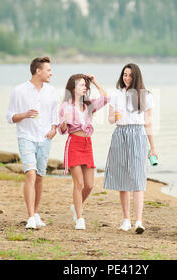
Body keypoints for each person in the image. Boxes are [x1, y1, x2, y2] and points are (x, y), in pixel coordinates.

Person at [103, 63, 158, 234]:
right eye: (124, 75)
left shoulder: (145, 96)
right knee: (122, 177)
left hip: (138, 134)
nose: (126, 78)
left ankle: (139, 221)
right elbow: (110, 120)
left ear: (136, 77)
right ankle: (126, 220)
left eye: (129, 75)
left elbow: (148, 122)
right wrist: (114, 117)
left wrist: (153, 147)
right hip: (119, 134)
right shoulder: (116, 95)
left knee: (138, 178)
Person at [6, 57, 58, 229]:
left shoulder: (51, 91)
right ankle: (30, 217)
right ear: (38, 71)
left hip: (44, 138)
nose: (51, 73)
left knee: (40, 177)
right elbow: (10, 117)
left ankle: (35, 213)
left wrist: (54, 128)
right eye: (48, 70)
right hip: (26, 136)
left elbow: (54, 115)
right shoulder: (19, 90)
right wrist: (25, 114)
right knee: (30, 173)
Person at [58, 74, 109, 230]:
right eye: (81, 85)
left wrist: (94, 81)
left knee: (89, 185)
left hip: (87, 144)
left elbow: (106, 98)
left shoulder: (88, 106)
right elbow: (62, 129)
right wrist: (65, 122)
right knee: (78, 184)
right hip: (74, 143)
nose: (84, 87)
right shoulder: (65, 106)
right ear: (73, 89)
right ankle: (79, 218)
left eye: (85, 85)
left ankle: (76, 206)